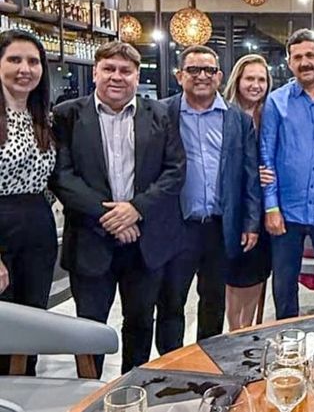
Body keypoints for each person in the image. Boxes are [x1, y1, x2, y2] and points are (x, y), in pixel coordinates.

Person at [51, 41, 185, 375]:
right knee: (89, 328)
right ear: (95, 72)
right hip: (90, 240)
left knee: (140, 323)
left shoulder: (160, 114)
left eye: (125, 71)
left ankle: (132, 389)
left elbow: (174, 171)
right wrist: (111, 216)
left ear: (137, 76)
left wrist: (136, 209)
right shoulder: (67, 115)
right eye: (109, 69)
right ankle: (89, 389)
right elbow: (62, 176)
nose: (117, 76)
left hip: (144, 242)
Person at [156, 46, 261, 352]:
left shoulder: (237, 119)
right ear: (179, 76)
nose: (201, 76)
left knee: (213, 301)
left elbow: (250, 175)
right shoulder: (161, 113)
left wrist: (251, 222)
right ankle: (170, 365)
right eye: (193, 70)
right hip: (176, 226)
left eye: (209, 70)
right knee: (171, 301)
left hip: (219, 226)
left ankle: (208, 363)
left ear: (219, 76)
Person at [260, 28, 314, 319]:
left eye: (310, 55)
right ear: (289, 62)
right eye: (297, 57)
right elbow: (266, 155)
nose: (304, 62)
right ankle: (287, 337)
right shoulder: (276, 102)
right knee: (284, 284)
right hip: (287, 210)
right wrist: (271, 207)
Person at [0, 30, 57, 375]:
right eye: (14, 60)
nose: (25, 69)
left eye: (33, 61)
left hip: (38, 226)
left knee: (32, 322)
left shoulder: (43, 117)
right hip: (2, 226)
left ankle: (25, 390)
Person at [221, 54, 272, 330]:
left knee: (257, 273)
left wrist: (270, 172)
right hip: (235, 208)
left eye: (261, 79)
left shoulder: (270, 114)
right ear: (237, 80)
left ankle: (249, 329)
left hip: (266, 208)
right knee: (234, 274)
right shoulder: (224, 114)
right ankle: (234, 331)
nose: (256, 85)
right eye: (250, 78)